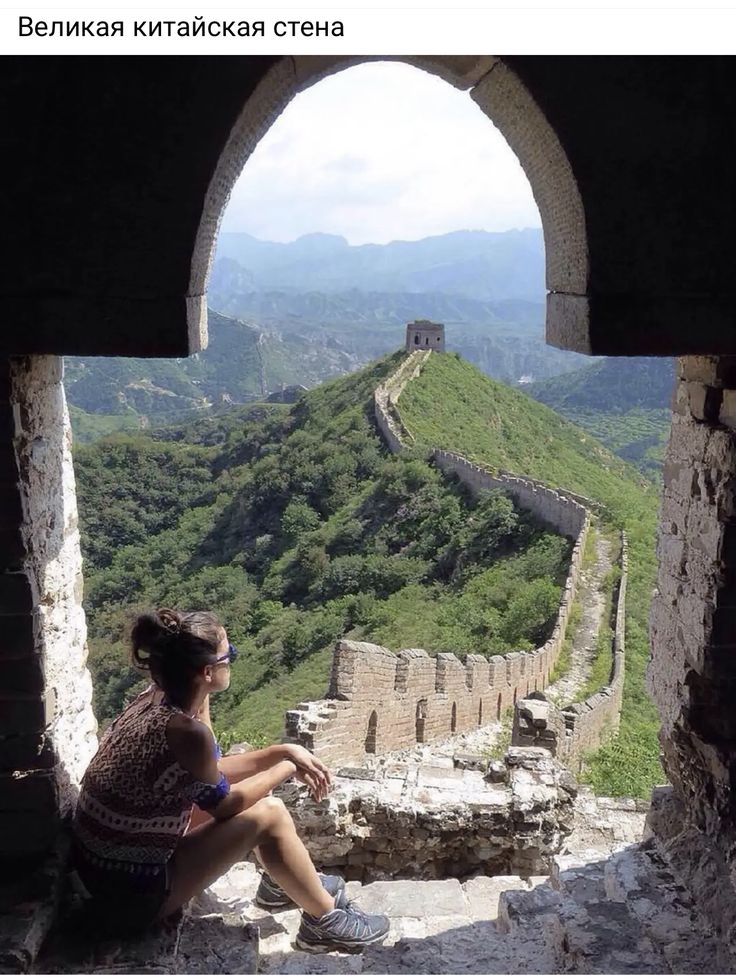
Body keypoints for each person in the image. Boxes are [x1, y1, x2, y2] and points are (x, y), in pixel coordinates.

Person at [70, 607, 390, 953]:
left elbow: (210, 771)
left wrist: (279, 751)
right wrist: (285, 769)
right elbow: (225, 806)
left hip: (96, 868)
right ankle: (325, 922)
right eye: (229, 655)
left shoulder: (154, 701)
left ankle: (287, 881)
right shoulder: (185, 733)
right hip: (127, 899)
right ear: (208, 671)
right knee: (270, 813)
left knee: (258, 802)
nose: (232, 661)